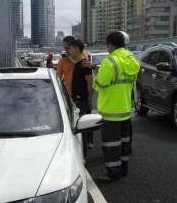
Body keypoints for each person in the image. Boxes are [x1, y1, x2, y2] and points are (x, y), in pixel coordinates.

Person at [90, 32, 140, 182]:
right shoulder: (132, 59)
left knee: (111, 145)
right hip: (125, 109)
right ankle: (123, 170)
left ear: (110, 45)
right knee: (124, 143)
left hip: (110, 112)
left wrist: (95, 79)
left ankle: (113, 173)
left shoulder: (109, 61)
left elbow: (100, 84)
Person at [57, 36, 93, 148]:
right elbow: (58, 76)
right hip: (69, 93)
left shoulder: (82, 58)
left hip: (81, 94)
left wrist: (72, 61)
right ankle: (78, 143)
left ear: (75, 47)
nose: (66, 50)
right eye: (65, 48)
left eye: (68, 47)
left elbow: (88, 79)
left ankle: (87, 142)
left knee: (85, 119)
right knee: (73, 119)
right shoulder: (62, 60)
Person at [68, 39, 93, 156]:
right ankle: (81, 152)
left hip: (81, 99)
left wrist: (89, 99)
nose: (68, 51)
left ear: (77, 49)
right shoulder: (77, 64)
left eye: (70, 48)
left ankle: (82, 153)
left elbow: (89, 83)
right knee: (78, 125)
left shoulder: (84, 64)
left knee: (80, 126)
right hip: (76, 99)